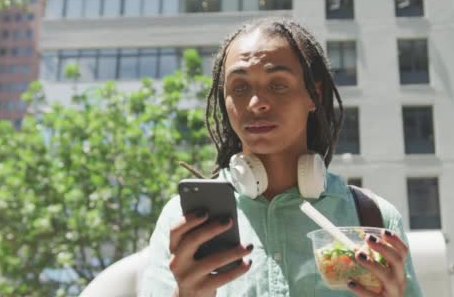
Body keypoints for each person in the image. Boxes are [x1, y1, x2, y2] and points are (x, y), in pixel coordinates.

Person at [139, 18, 423, 297]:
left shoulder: (374, 219)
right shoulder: (184, 222)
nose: (256, 103)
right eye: (239, 87)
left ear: (314, 94)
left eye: (277, 84)